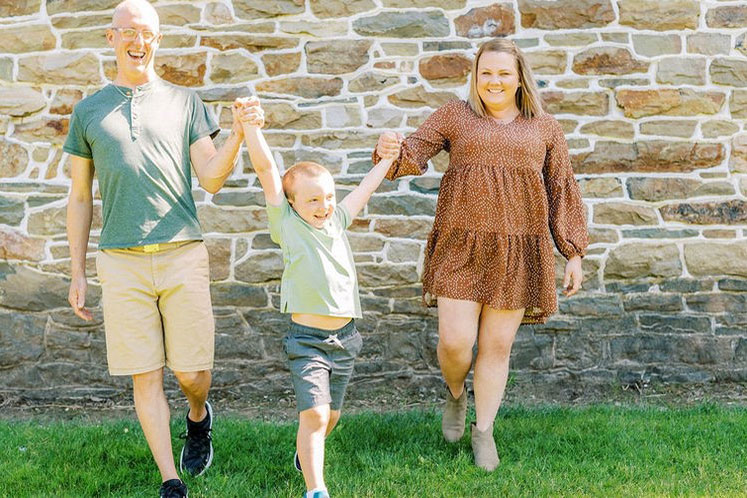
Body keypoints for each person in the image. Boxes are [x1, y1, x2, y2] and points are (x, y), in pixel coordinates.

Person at [374, 38, 588, 471]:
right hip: (461, 244)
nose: (494, 81)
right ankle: (456, 395)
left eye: (503, 73)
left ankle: (484, 430)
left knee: (496, 345)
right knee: (455, 343)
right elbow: (414, 152)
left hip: (518, 248)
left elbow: (562, 188)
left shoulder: (544, 128)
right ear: (475, 76)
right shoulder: (457, 114)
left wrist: (573, 252)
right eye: (485, 72)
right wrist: (389, 148)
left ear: (519, 78)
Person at [63, 1, 246, 496]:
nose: (137, 42)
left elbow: (211, 177)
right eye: (128, 33)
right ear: (111, 38)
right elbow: (80, 196)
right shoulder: (88, 111)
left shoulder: (186, 103)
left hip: (181, 251)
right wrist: (77, 271)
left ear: (157, 40)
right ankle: (170, 478)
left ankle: (198, 415)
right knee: (144, 375)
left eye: (146, 34)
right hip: (120, 260)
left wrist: (238, 139)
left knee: (191, 372)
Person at [235, 97, 400, 498]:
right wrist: (250, 127)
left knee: (331, 417)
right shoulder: (287, 226)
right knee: (315, 413)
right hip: (307, 340)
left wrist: (387, 159)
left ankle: (306, 450)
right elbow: (266, 169)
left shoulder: (338, 220)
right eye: (312, 200)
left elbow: (364, 188)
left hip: (345, 338)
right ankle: (316, 489)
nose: (323, 206)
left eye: (327, 197)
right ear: (291, 204)